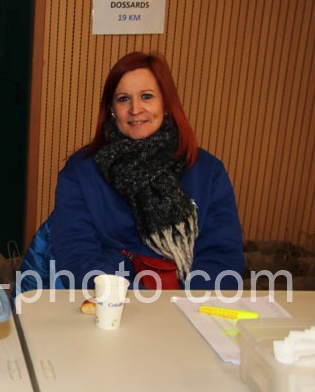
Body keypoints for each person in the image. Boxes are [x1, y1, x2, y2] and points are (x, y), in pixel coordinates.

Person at [21, 51, 245, 292]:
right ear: (111, 109)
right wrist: (133, 300)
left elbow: (224, 260)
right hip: (108, 300)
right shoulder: (81, 171)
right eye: (123, 99)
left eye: (146, 96)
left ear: (166, 104)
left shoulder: (207, 171)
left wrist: (177, 303)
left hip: (187, 303)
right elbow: (77, 255)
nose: (135, 109)